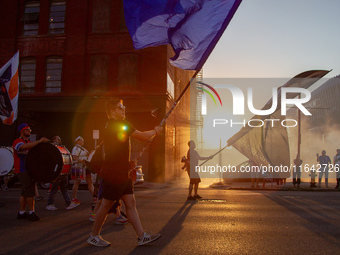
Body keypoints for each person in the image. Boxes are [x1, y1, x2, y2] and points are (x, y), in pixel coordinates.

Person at [87, 98, 162, 247]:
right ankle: (93, 236)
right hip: (114, 173)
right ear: (112, 111)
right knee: (106, 205)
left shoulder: (115, 125)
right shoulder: (120, 124)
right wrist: (155, 131)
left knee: (130, 203)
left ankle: (141, 236)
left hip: (123, 172)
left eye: (124, 107)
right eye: (120, 108)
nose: (124, 109)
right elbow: (141, 136)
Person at [13, 123, 49, 221]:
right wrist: (39, 141)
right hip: (22, 170)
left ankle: (21, 212)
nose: (29, 131)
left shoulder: (29, 141)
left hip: (28, 170)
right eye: (27, 130)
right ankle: (31, 212)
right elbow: (23, 147)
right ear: (22, 131)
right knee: (29, 192)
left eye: (30, 130)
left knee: (24, 192)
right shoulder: (18, 141)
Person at [46, 136, 79, 211]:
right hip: (57, 171)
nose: (59, 141)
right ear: (53, 140)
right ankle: (49, 204)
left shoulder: (60, 148)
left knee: (64, 188)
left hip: (63, 171)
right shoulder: (52, 148)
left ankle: (68, 203)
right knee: (54, 188)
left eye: (60, 139)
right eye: (57, 139)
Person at [71, 136, 94, 204]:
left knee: (90, 182)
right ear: (76, 142)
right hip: (79, 167)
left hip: (85, 167)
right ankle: (74, 198)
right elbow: (75, 157)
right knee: (77, 182)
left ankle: (95, 196)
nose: (80, 141)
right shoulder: (76, 148)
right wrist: (81, 161)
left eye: (82, 140)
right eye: (79, 140)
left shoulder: (83, 149)